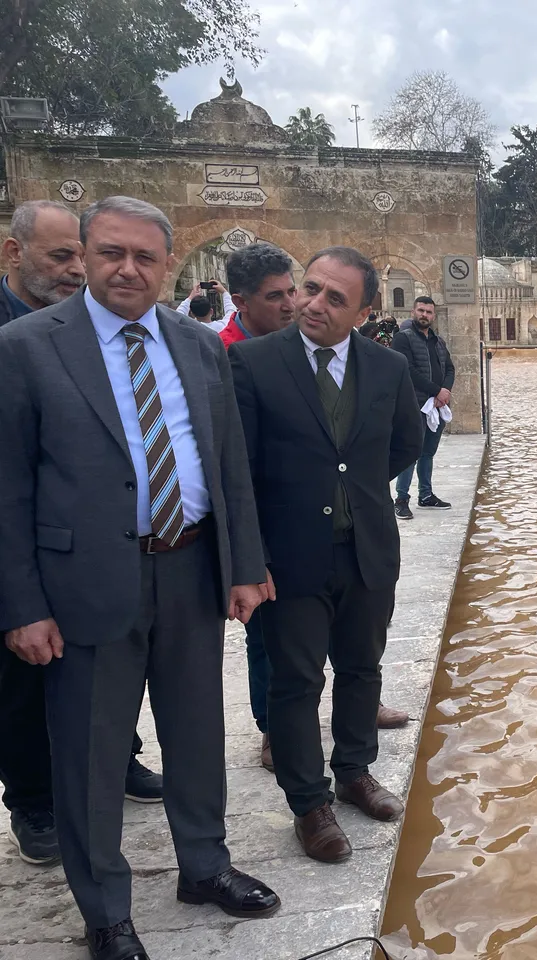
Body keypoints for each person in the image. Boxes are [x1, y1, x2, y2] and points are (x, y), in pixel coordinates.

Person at [0, 196, 279, 960]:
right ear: (85, 256)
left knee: (196, 734)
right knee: (90, 756)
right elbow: (7, 487)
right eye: (112, 253)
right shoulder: (26, 347)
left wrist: (246, 566)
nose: (128, 268)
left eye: (145, 257)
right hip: (83, 583)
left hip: (189, 569)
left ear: (167, 265)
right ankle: (106, 911)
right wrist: (20, 605)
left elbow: (229, 468)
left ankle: (204, 866)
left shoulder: (196, 346)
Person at [229, 246, 422, 864]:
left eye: (334, 297)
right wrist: (251, 558)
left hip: (366, 551)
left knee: (363, 669)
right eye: (309, 288)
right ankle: (309, 803)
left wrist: (355, 491)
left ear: (364, 311)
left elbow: (403, 445)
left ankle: (355, 772)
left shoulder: (387, 369)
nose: (312, 303)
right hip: (290, 559)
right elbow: (241, 473)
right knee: (296, 682)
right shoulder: (254, 363)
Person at [0, 201, 164, 870]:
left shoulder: (96, 328)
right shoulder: (16, 339)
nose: (74, 269)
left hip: (94, 541)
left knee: (105, 656)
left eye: (79, 253)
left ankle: (117, 757)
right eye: (59, 256)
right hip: (26, 541)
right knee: (21, 680)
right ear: (15, 256)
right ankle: (33, 800)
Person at [217, 242, 299, 772]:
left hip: (304, 514)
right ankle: (272, 727)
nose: (291, 304)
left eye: (294, 290)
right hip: (258, 521)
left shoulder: (304, 345)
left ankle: (350, 702)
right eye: (276, 297)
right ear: (240, 300)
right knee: (265, 633)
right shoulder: (221, 355)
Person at [390, 296, 454, 519]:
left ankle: (425, 495)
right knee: (410, 453)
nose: (424, 315)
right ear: (413, 312)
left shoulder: (438, 342)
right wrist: (436, 391)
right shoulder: (403, 339)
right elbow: (408, 370)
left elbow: (450, 369)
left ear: (433, 316)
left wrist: (444, 392)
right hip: (415, 405)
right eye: (421, 311)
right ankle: (401, 499)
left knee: (428, 453)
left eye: (428, 312)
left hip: (437, 406)